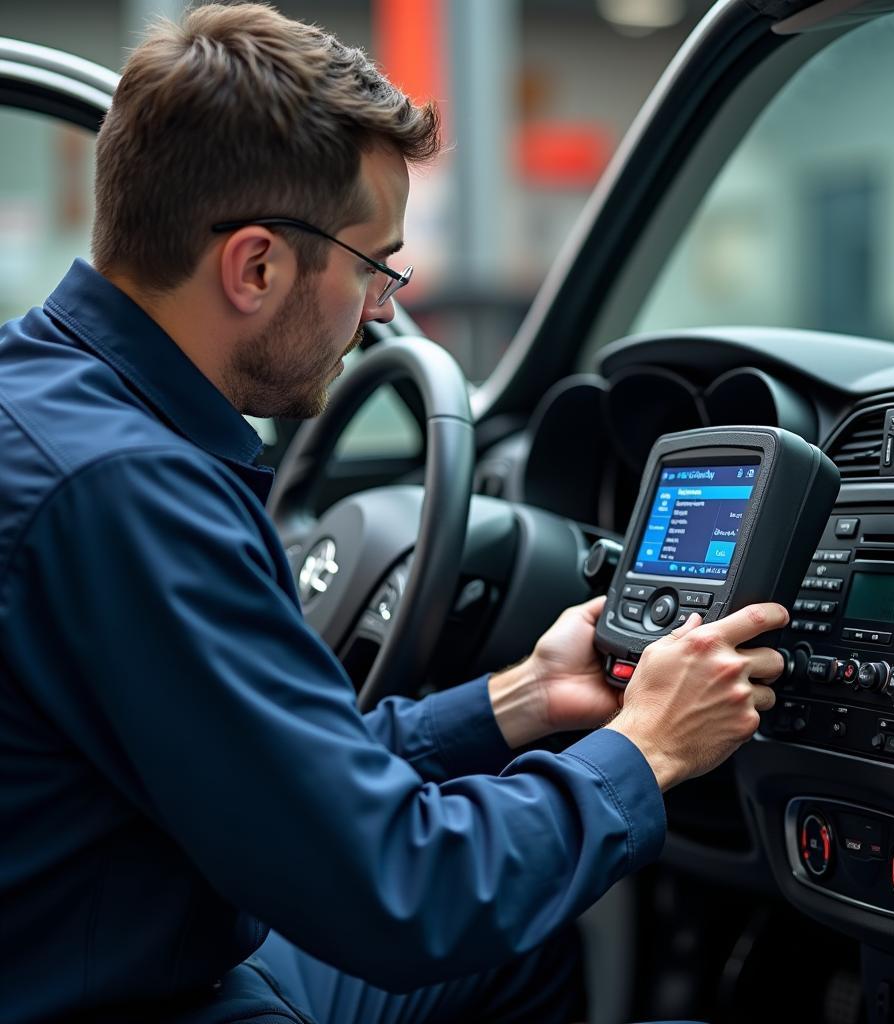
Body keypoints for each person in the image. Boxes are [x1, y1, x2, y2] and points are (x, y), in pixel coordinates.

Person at [0, 6, 784, 1023]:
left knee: (523, 953)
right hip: (125, 993)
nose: (381, 307)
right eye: (375, 266)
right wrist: (650, 748)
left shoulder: (53, 396)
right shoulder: (128, 494)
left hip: (104, 933)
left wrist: (518, 699)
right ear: (255, 267)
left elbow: (277, 773)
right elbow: (402, 895)